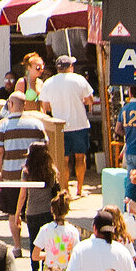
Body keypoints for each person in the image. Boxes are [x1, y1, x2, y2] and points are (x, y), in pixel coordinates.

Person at [0, 92, 46, 248]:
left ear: (10, 105)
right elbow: (44, 149)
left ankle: (17, 246)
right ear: (25, 105)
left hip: (11, 176)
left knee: (12, 213)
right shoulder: (37, 124)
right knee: (33, 212)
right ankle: (35, 246)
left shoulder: (3, 125)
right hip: (33, 176)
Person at [41, 53, 95, 196]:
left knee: (63, 160)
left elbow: (45, 106)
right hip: (79, 124)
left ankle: (65, 190)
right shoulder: (79, 80)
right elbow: (90, 100)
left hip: (59, 126)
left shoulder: (49, 83)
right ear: (70, 67)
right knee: (80, 158)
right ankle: (80, 189)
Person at [32, 191, 79, 271]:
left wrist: (48, 255)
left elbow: (35, 256)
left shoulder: (45, 229)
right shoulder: (73, 231)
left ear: (52, 210)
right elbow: (76, 255)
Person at [19, 142, 59, 271]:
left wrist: (18, 213)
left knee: (33, 243)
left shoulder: (26, 172)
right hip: (48, 211)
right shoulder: (51, 171)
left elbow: (23, 195)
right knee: (47, 243)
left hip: (32, 212)